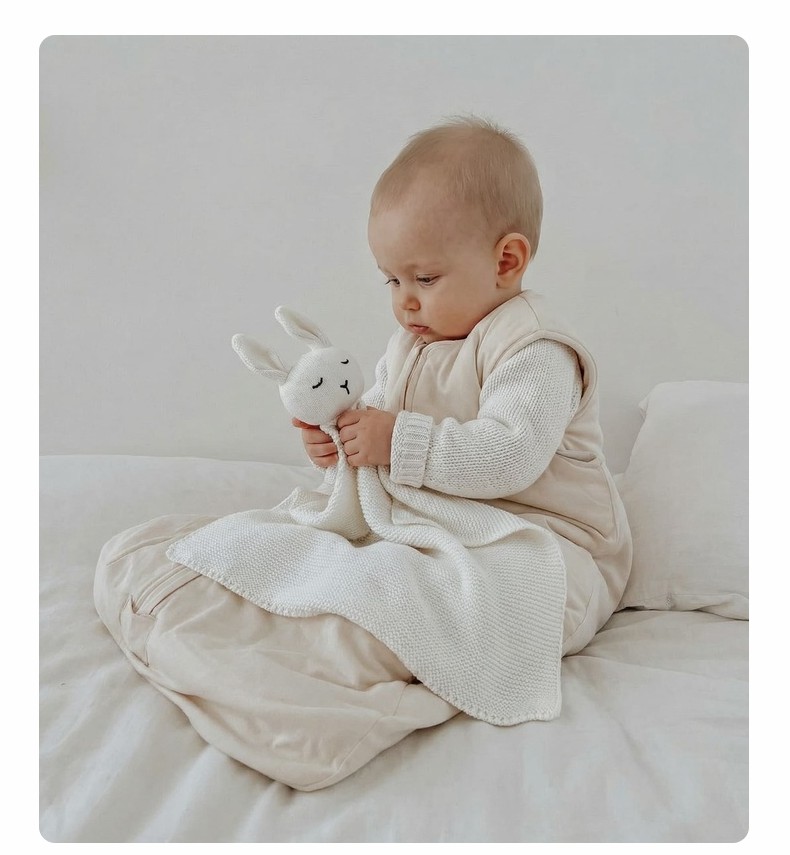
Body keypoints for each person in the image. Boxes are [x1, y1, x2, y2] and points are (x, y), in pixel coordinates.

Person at [293, 116, 632, 652]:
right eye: (392, 279)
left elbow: (509, 455)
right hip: (457, 527)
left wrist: (394, 441)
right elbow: (381, 417)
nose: (405, 300)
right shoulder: (410, 344)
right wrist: (343, 443)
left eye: (425, 279)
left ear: (506, 261)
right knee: (336, 560)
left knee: (479, 603)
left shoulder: (536, 347)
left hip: (548, 545)